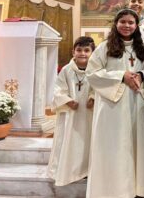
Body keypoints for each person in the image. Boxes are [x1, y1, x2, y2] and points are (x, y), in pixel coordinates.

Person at [86, 9, 144, 198]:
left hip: (135, 101)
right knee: (114, 145)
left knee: (134, 144)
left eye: (131, 22)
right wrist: (121, 76)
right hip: (111, 106)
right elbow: (92, 73)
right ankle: (112, 189)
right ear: (116, 24)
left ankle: (135, 189)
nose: (127, 25)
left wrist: (140, 75)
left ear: (136, 25)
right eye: (123, 22)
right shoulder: (105, 47)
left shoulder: (142, 48)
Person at [47, 36, 95, 186]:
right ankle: (67, 170)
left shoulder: (96, 70)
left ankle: (87, 170)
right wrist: (67, 101)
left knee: (88, 141)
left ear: (93, 52)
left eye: (87, 50)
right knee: (69, 140)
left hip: (89, 113)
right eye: (79, 50)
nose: (82, 53)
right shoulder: (66, 70)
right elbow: (57, 89)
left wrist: (93, 97)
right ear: (73, 52)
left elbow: (99, 86)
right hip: (71, 113)